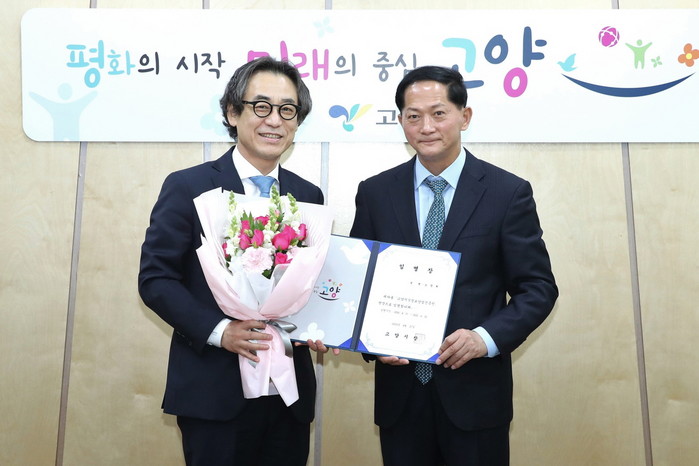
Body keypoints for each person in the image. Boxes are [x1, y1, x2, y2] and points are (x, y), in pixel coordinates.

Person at [349, 65, 558, 465]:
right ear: (401, 122)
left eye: (439, 113)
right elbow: (359, 284)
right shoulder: (375, 192)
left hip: (475, 398)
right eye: (413, 116)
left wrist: (485, 338)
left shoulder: (506, 192)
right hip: (400, 399)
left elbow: (538, 289)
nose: (426, 127)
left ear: (465, 116)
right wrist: (371, 342)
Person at [138, 56, 331, 466]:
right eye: (261, 106)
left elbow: (311, 284)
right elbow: (156, 279)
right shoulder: (188, 186)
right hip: (214, 390)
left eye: (287, 109)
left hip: (288, 395)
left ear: (298, 121)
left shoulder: (308, 195)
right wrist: (220, 331)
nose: (274, 120)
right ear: (232, 112)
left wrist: (321, 326)